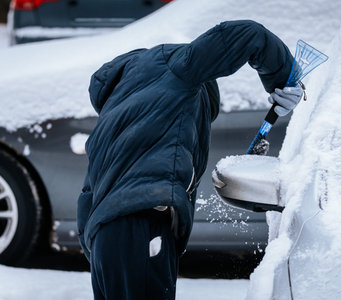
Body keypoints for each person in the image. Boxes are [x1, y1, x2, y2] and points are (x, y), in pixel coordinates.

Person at [77, 20, 304, 300]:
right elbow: (247, 35)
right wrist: (284, 79)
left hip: (104, 243)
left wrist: (107, 252)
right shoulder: (177, 69)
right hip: (143, 228)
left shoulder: (114, 115)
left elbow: (88, 195)